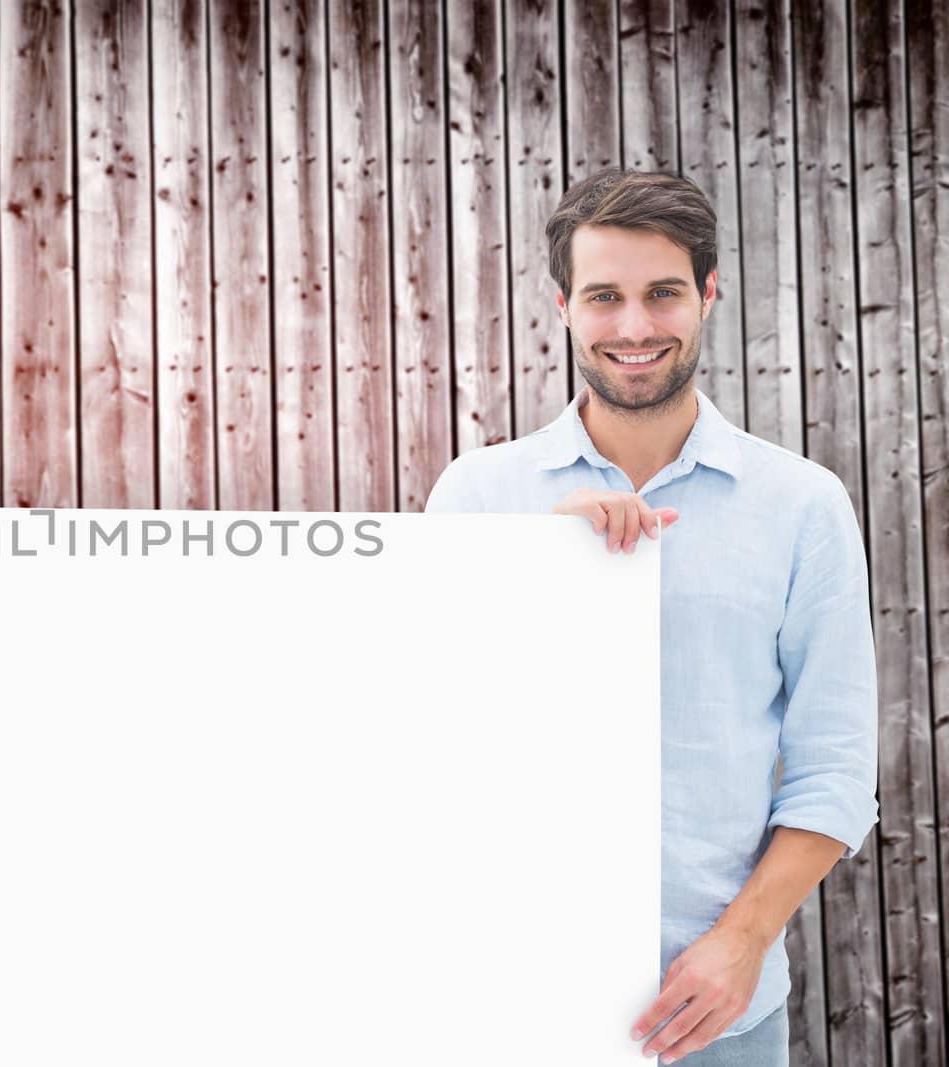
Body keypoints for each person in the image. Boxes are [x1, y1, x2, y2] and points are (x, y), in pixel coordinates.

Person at [424, 170, 879, 1066]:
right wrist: (530, 582)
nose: (634, 327)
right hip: (511, 1003)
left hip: (718, 1015)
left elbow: (833, 772)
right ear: (563, 306)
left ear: (708, 293)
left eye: (663, 292)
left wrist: (743, 942)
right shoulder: (480, 494)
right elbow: (430, 739)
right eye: (604, 297)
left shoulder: (802, 504)